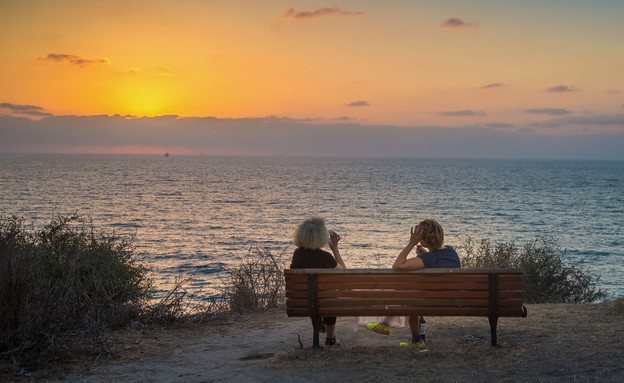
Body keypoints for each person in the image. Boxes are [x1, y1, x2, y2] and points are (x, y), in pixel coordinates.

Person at [367, 219, 460, 348]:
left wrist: (411, 243)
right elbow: (439, 259)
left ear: (422, 239)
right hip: (452, 300)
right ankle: (410, 337)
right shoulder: (451, 251)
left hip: (429, 302)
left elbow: (397, 265)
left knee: (406, 292)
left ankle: (387, 325)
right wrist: (426, 255)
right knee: (409, 293)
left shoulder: (429, 258)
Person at [290, 217, 346, 346]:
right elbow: (344, 274)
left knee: (319, 296)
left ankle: (320, 325)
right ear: (321, 236)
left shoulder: (297, 254)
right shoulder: (325, 257)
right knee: (329, 297)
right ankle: (330, 338)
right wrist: (335, 249)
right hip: (325, 302)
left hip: (302, 302)